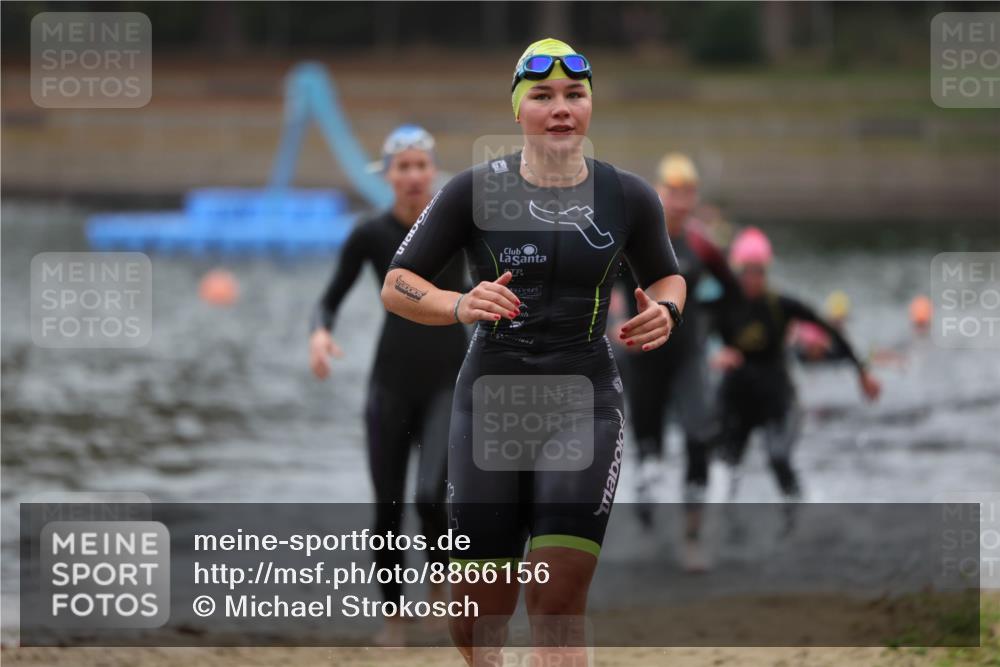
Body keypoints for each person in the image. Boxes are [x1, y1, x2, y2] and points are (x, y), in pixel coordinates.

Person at [382, 38, 686, 665]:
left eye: (574, 95)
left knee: (557, 599)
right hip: (490, 400)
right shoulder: (471, 191)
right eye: (543, 96)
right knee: (480, 609)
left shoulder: (629, 197)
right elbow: (398, 282)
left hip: (585, 398)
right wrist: (459, 304)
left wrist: (667, 310)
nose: (560, 108)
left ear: (590, 106)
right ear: (517, 109)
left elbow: (666, 275)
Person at [308, 125, 468, 646]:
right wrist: (319, 334)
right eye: (404, 167)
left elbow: (486, 287)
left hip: (450, 378)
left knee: (430, 496)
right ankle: (395, 620)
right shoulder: (370, 234)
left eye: (423, 165)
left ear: (434, 172)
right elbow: (330, 297)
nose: (414, 175)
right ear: (388, 176)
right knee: (387, 506)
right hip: (391, 383)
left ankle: (440, 587)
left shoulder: (457, 231)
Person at [614, 152, 741, 572]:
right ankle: (648, 517)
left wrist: (723, 339)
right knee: (648, 450)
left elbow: (734, 294)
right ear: (657, 192)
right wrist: (616, 323)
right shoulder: (633, 237)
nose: (680, 201)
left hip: (687, 354)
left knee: (698, 434)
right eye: (673, 192)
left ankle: (692, 534)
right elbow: (607, 289)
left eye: (688, 193)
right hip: (643, 358)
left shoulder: (702, 244)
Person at [712, 227, 880, 515]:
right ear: (736, 273)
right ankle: (719, 529)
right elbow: (691, 332)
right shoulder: (722, 307)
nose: (753, 279)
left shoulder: (780, 305)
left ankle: (798, 516)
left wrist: (861, 371)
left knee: (778, 459)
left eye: (759, 271)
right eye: (747, 272)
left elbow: (828, 327)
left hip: (778, 402)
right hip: (737, 401)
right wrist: (714, 354)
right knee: (726, 468)